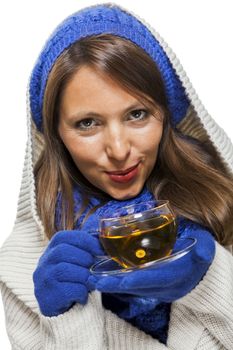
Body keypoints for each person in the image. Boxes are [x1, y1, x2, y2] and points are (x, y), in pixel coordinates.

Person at [0, 2, 233, 349]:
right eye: (87, 123)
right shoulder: (23, 268)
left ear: (166, 116)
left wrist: (212, 280)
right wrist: (67, 318)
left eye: (137, 114)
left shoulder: (222, 208)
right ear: (56, 136)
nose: (119, 149)